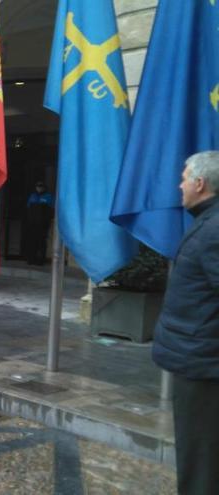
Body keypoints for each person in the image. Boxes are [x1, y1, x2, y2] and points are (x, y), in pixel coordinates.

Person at [153, 151, 219, 495]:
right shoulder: (207, 222)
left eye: (183, 178)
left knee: (200, 456)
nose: (179, 185)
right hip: (201, 358)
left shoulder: (214, 229)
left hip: (203, 364)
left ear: (199, 183)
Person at [25, 181, 55, 265]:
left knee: (41, 241)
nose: (39, 188)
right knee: (32, 241)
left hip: (43, 223)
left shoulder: (48, 196)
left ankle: (41, 260)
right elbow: (28, 207)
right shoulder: (33, 196)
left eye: (41, 186)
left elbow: (51, 208)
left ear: (44, 187)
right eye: (38, 186)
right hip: (33, 223)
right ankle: (31, 259)